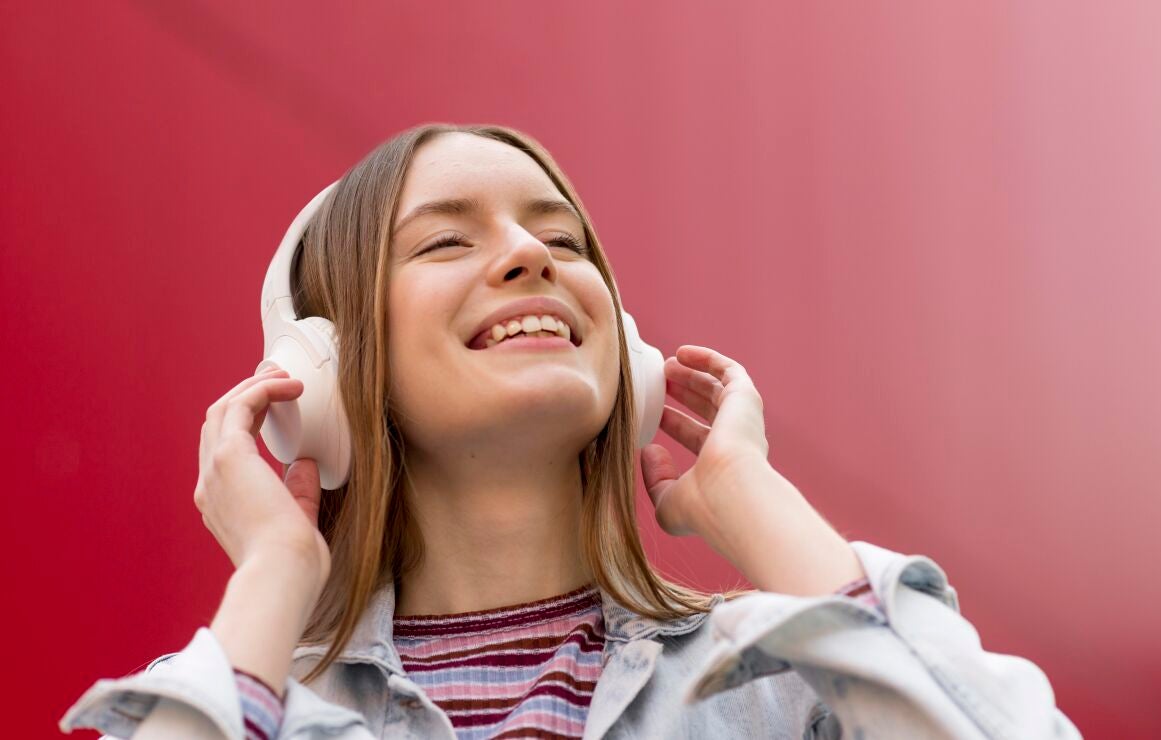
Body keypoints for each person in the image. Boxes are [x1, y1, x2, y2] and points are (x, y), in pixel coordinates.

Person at [59, 123, 1082, 740]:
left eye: (558, 237)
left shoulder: (780, 690)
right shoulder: (261, 702)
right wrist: (274, 575)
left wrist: (759, 507)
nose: (525, 256)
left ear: (626, 359)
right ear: (321, 374)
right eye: (447, 239)